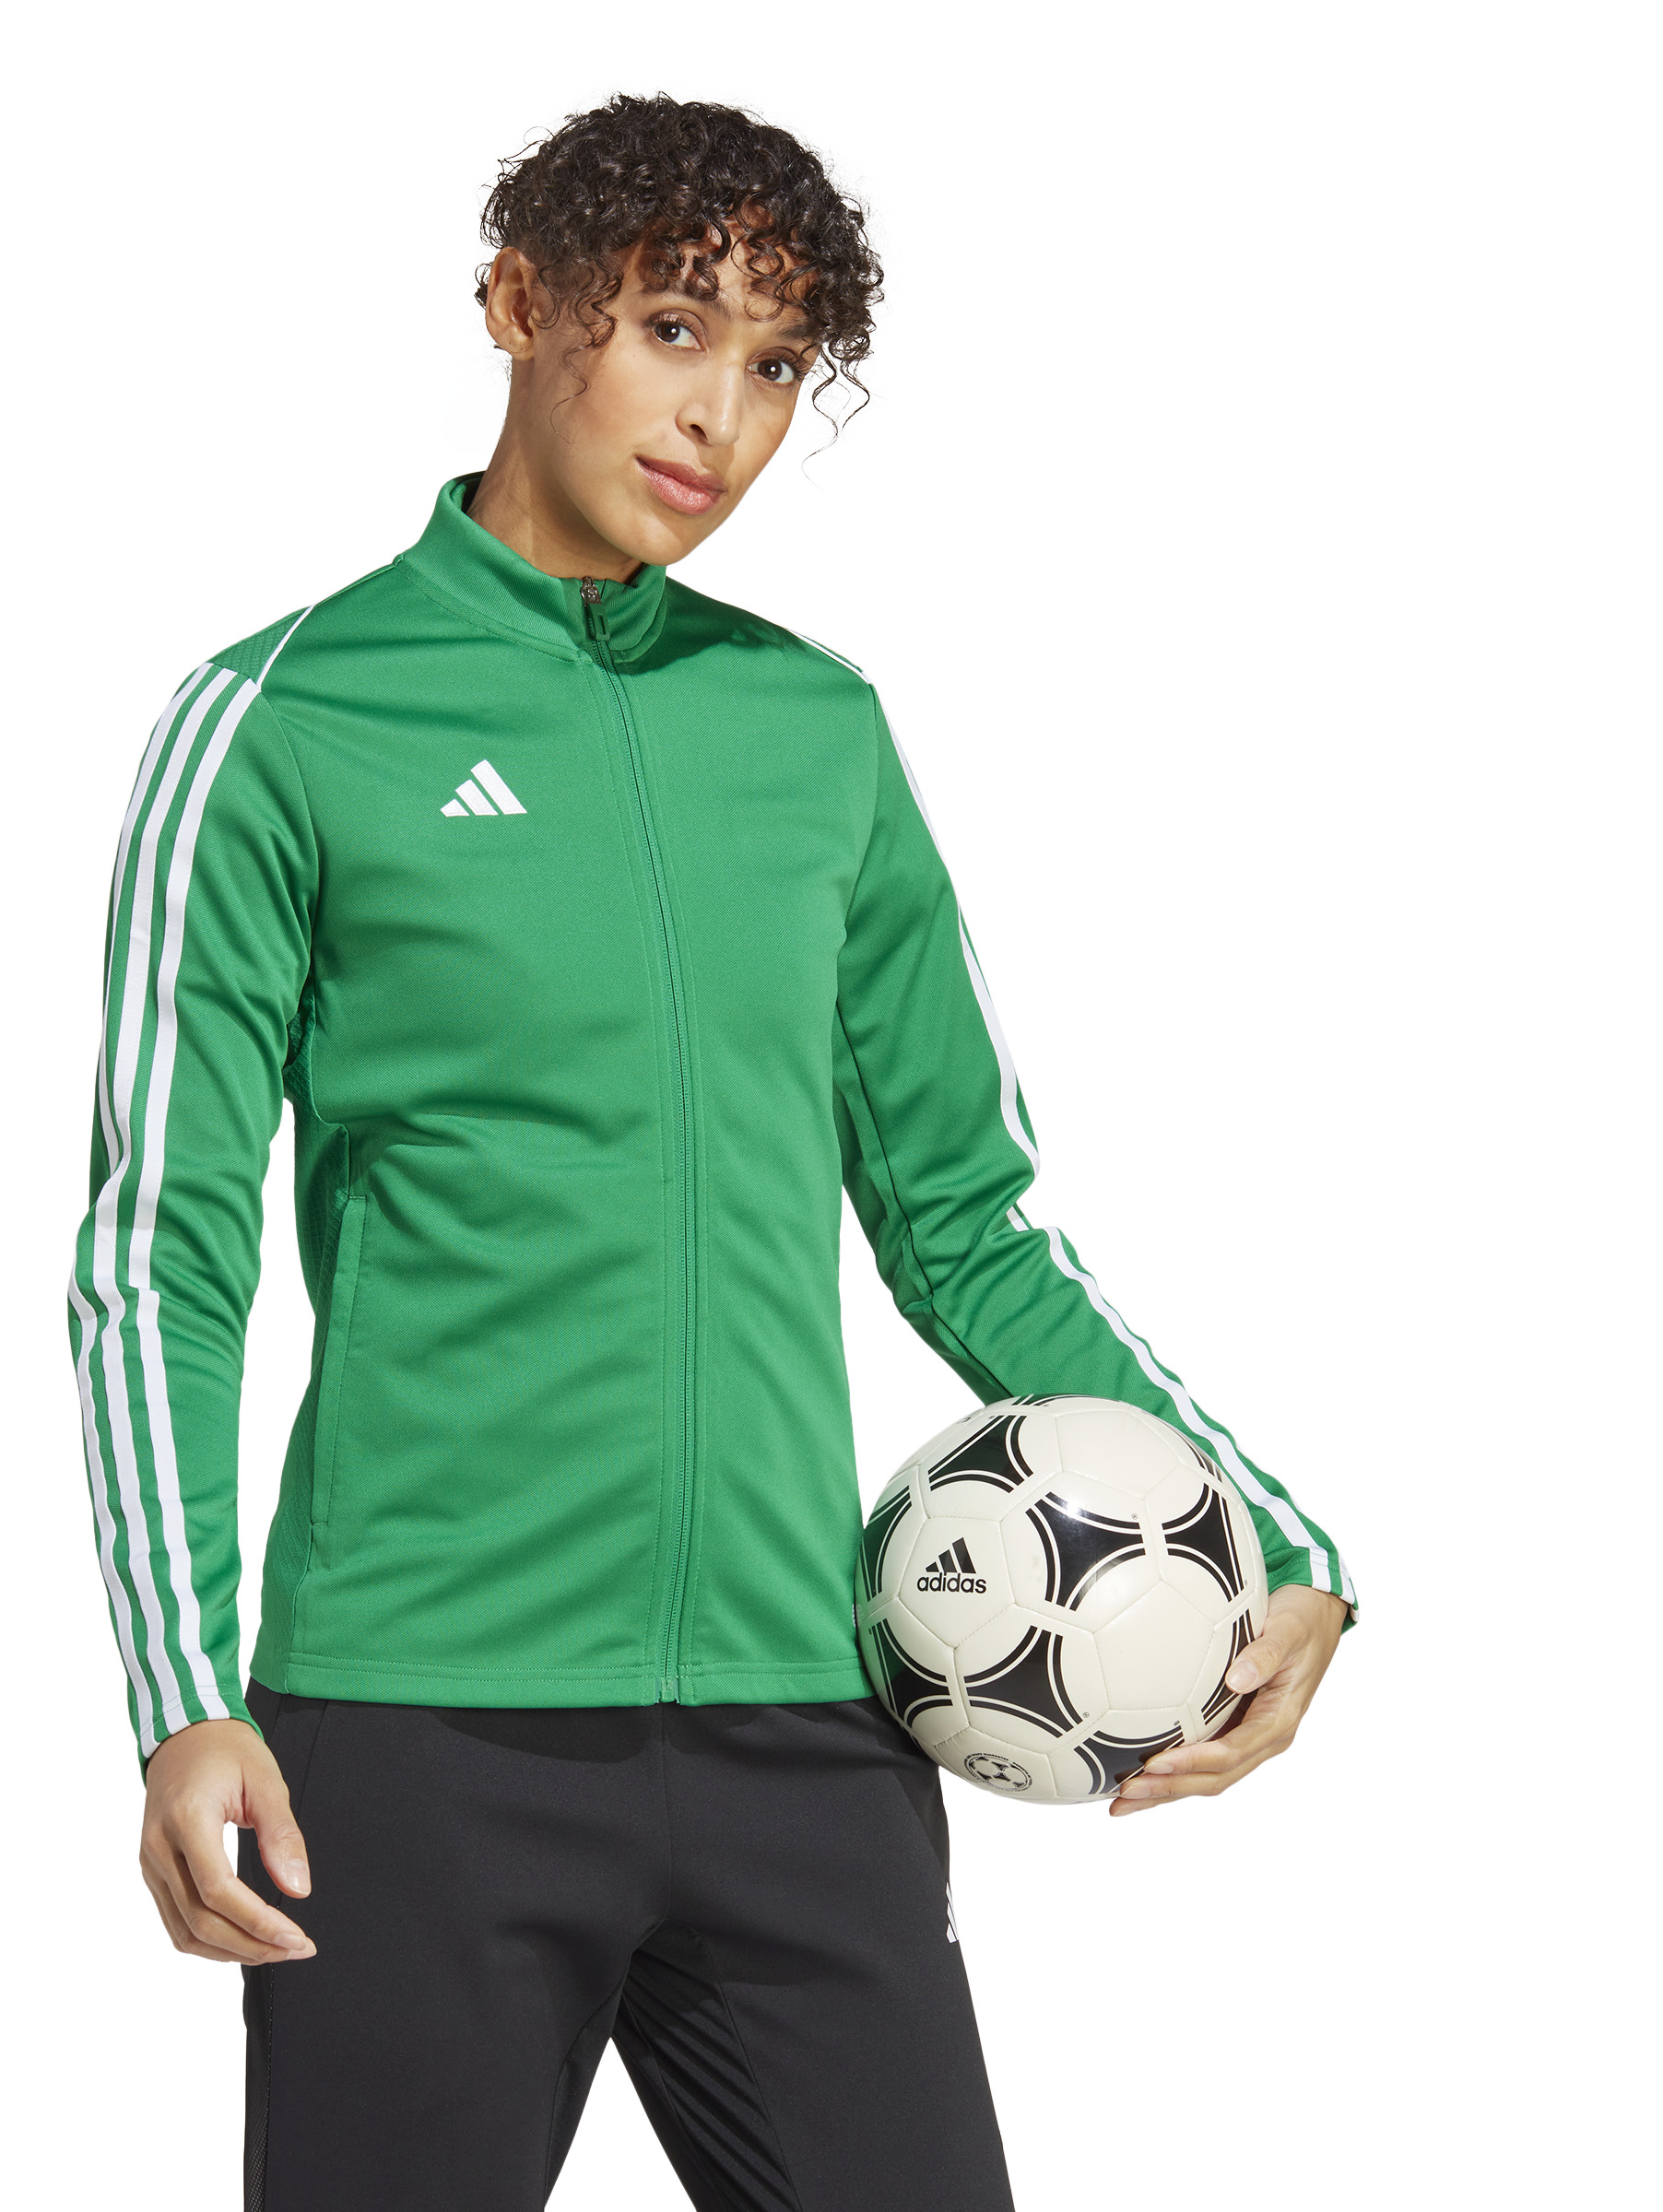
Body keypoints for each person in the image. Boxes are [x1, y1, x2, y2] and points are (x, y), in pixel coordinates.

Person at [67, 92, 1352, 2211]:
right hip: (413, 1739)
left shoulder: (816, 732)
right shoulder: (286, 717)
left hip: (803, 1731)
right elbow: (158, 1257)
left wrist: (1274, 1540)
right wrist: (184, 1694)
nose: (722, 421)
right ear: (518, 302)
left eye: (775, 366)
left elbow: (969, 1219)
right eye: (674, 328)